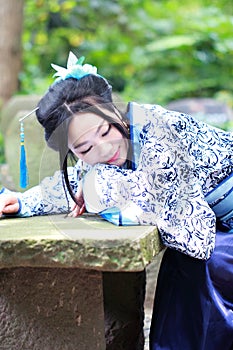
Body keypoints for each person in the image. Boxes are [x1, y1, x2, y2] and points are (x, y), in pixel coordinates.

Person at [0, 51, 233, 349]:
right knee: (182, 271)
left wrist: (98, 184)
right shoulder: (100, 151)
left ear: (114, 113)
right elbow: (76, 181)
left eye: (105, 130)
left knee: (199, 265)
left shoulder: (161, 130)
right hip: (218, 229)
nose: (102, 148)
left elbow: (194, 234)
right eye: (84, 148)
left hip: (209, 233)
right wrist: (22, 204)